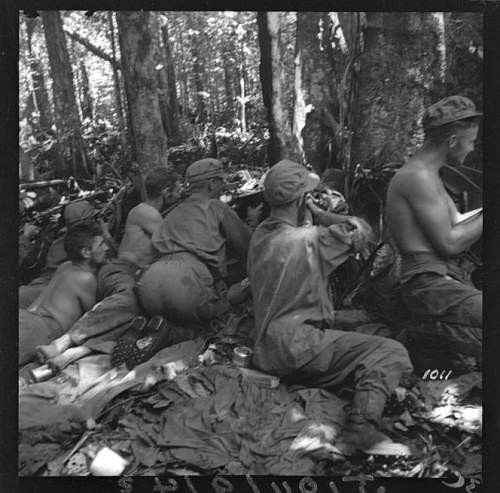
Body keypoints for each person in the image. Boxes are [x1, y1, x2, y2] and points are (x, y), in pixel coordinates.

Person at [248, 160, 413, 455]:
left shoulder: (261, 235)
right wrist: (321, 214)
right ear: (301, 200)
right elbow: (361, 231)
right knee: (391, 351)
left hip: (267, 348)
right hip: (296, 347)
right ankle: (359, 432)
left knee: (368, 329)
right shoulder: (312, 240)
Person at [36, 167, 177, 361]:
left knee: (131, 315)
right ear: (166, 192)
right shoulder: (146, 212)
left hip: (132, 275)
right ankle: (65, 341)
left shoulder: (149, 212)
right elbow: (173, 242)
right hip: (121, 270)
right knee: (127, 300)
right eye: (176, 189)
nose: (181, 192)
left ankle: (76, 352)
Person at [386, 95, 482, 365]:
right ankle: (422, 335)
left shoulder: (429, 175)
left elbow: (458, 221)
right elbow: (449, 243)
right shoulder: (416, 177)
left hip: (444, 281)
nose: (472, 149)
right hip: (427, 286)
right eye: (471, 142)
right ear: (452, 140)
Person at [138, 158, 252, 327]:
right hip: (185, 286)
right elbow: (247, 246)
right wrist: (253, 221)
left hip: (149, 286)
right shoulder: (215, 206)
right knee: (233, 306)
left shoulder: (172, 212)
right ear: (211, 184)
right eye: (221, 181)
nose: (223, 186)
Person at [19, 223, 108, 365]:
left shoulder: (65, 266)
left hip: (26, 315)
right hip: (42, 328)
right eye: (101, 245)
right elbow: (94, 316)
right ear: (85, 252)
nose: (106, 248)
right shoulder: (86, 278)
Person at [18, 200, 112, 309]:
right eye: (95, 219)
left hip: (36, 288)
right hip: (43, 292)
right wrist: (106, 234)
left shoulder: (59, 238)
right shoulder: (88, 246)